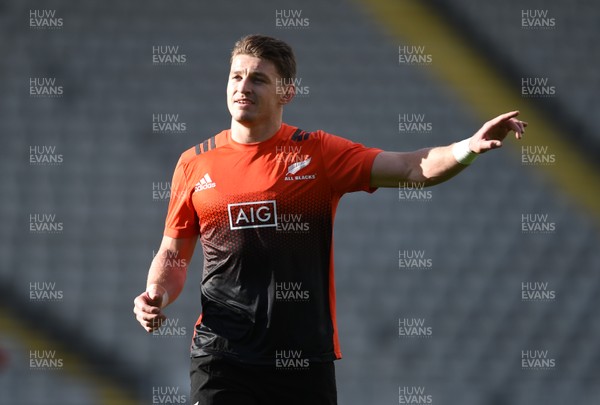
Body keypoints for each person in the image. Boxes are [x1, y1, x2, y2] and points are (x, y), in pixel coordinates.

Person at [133, 34, 526, 405]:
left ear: (287, 92)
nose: (243, 87)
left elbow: (411, 168)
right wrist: (157, 293)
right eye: (236, 76)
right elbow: (174, 254)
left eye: (258, 79)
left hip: (303, 357)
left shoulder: (317, 153)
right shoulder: (194, 162)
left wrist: (467, 148)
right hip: (222, 354)